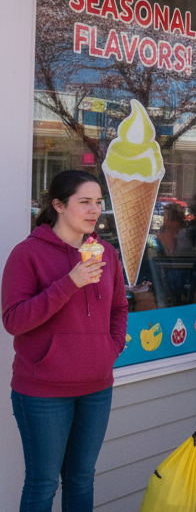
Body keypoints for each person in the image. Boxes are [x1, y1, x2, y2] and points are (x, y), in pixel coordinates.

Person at [3, 170, 129, 512]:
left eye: (99, 202)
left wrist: (109, 349)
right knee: (43, 483)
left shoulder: (107, 253)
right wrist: (69, 282)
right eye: (84, 202)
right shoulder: (27, 253)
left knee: (81, 478)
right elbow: (14, 320)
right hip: (43, 390)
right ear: (58, 205)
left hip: (97, 385)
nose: (94, 210)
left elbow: (119, 308)